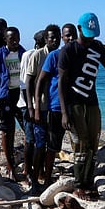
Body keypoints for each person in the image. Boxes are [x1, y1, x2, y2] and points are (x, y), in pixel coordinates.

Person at [58, 12, 105, 199]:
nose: (90, 38)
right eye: (87, 34)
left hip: (92, 103)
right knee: (80, 145)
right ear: (79, 29)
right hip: (74, 104)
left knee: (93, 143)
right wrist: (64, 112)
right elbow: (61, 83)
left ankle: (89, 181)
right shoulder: (68, 50)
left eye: (93, 35)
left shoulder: (97, 47)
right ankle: (78, 185)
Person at [35, 22, 76, 185]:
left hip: (77, 106)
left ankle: (81, 179)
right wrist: (36, 107)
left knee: (79, 144)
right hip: (57, 107)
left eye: (73, 35)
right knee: (52, 146)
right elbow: (40, 81)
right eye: (67, 36)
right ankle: (46, 179)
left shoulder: (80, 55)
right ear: (63, 38)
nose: (70, 38)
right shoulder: (54, 56)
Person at [0, 26, 26, 181]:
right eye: (12, 39)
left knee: (27, 128)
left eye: (17, 38)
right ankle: (10, 166)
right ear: (5, 39)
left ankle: (28, 166)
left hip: (21, 94)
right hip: (6, 95)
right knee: (7, 130)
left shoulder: (24, 53)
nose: (15, 41)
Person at [20, 29, 46, 189]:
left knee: (41, 140)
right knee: (30, 139)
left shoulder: (48, 54)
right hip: (28, 103)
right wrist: (30, 106)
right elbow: (25, 82)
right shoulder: (30, 55)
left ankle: (39, 170)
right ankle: (28, 171)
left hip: (41, 104)